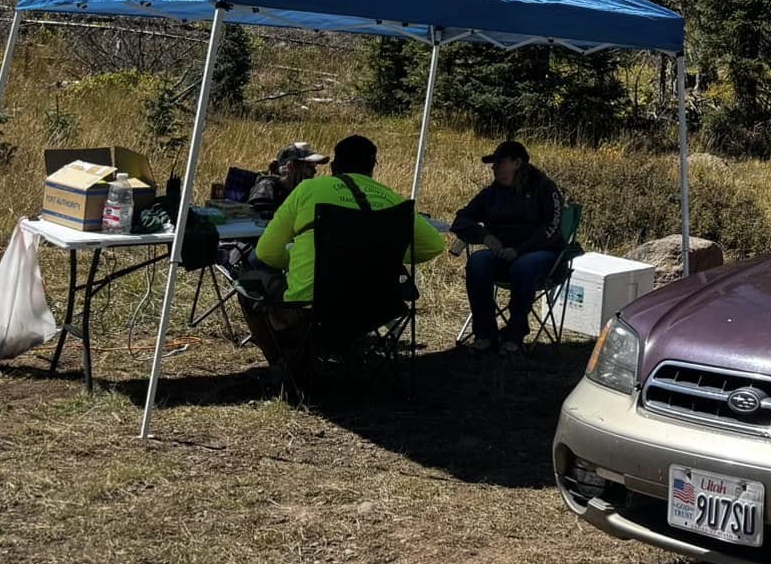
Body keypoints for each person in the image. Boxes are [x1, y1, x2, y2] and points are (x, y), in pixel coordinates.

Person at [241, 134, 446, 394]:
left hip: (312, 310)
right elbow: (434, 245)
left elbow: (266, 253)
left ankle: (286, 369)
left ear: (335, 165)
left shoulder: (308, 191)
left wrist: (294, 260)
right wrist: (384, 254)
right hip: (376, 308)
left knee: (248, 282)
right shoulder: (393, 199)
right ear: (373, 166)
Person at [451, 139, 565, 352]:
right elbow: (461, 220)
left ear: (517, 163)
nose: (494, 168)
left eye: (499, 163)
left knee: (524, 266)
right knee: (478, 262)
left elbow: (552, 228)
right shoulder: (491, 194)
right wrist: (485, 236)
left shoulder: (545, 188)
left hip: (544, 256)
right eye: (493, 164)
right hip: (502, 254)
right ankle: (485, 334)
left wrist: (520, 251)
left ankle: (514, 335)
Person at [247, 142, 327, 219]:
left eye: (314, 166)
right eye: (309, 167)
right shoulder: (266, 188)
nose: (314, 171)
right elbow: (259, 223)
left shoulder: (295, 192)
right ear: (291, 167)